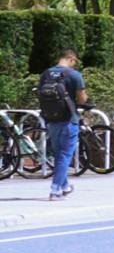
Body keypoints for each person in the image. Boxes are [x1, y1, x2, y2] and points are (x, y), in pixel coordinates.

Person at [35, 46, 86, 201]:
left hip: (51, 119)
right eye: (75, 61)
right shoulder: (74, 75)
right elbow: (82, 98)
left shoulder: (46, 73)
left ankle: (65, 186)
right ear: (72, 59)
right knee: (65, 155)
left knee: (59, 155)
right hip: (69, 119)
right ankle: (55, 189)